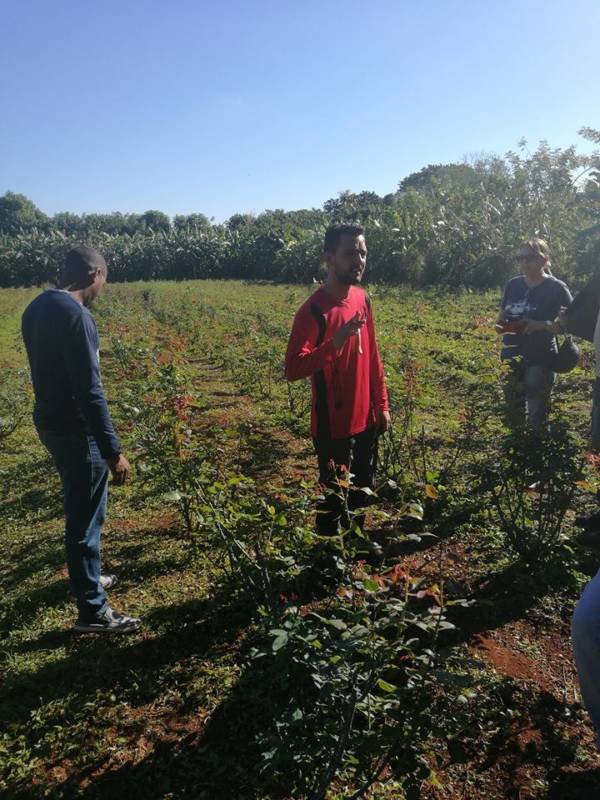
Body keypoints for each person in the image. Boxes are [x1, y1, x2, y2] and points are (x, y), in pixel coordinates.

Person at [21, 246, 140, 633]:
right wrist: (112, 451)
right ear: (94, 275)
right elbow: (90, 391)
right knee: (85, 518)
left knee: (84, 504)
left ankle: (88, 578)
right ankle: (92, 610)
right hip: (76, 429)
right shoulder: (78, 316)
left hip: (50, 422)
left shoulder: (36, 308)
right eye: (104, 279)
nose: (102, 287)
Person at [284, 223, 391, 537]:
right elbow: (293, 368)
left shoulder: (362, 299)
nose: (358, 260)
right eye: (349, 254)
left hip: (367, 420)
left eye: (362, 253)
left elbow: (373, 356)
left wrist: (381, 404)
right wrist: (334, 344)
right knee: (332, 502)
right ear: (328, 259)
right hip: (333, 426)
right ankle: (327, 567)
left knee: (361, 494)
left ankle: (353, 557)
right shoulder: (313, 311)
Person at [496, 238, 572, 430]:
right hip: (511, 354)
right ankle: (516, 451)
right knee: (513, 406)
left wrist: (541, 325)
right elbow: (501, 318)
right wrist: (503, 326)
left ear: (544, 259)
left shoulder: (556, 288)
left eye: (530, 257)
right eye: (520, 258)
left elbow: (567, 326)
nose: (524, 262)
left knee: (536, 407)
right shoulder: (513, 284)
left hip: (540, 355)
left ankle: (535, 451)